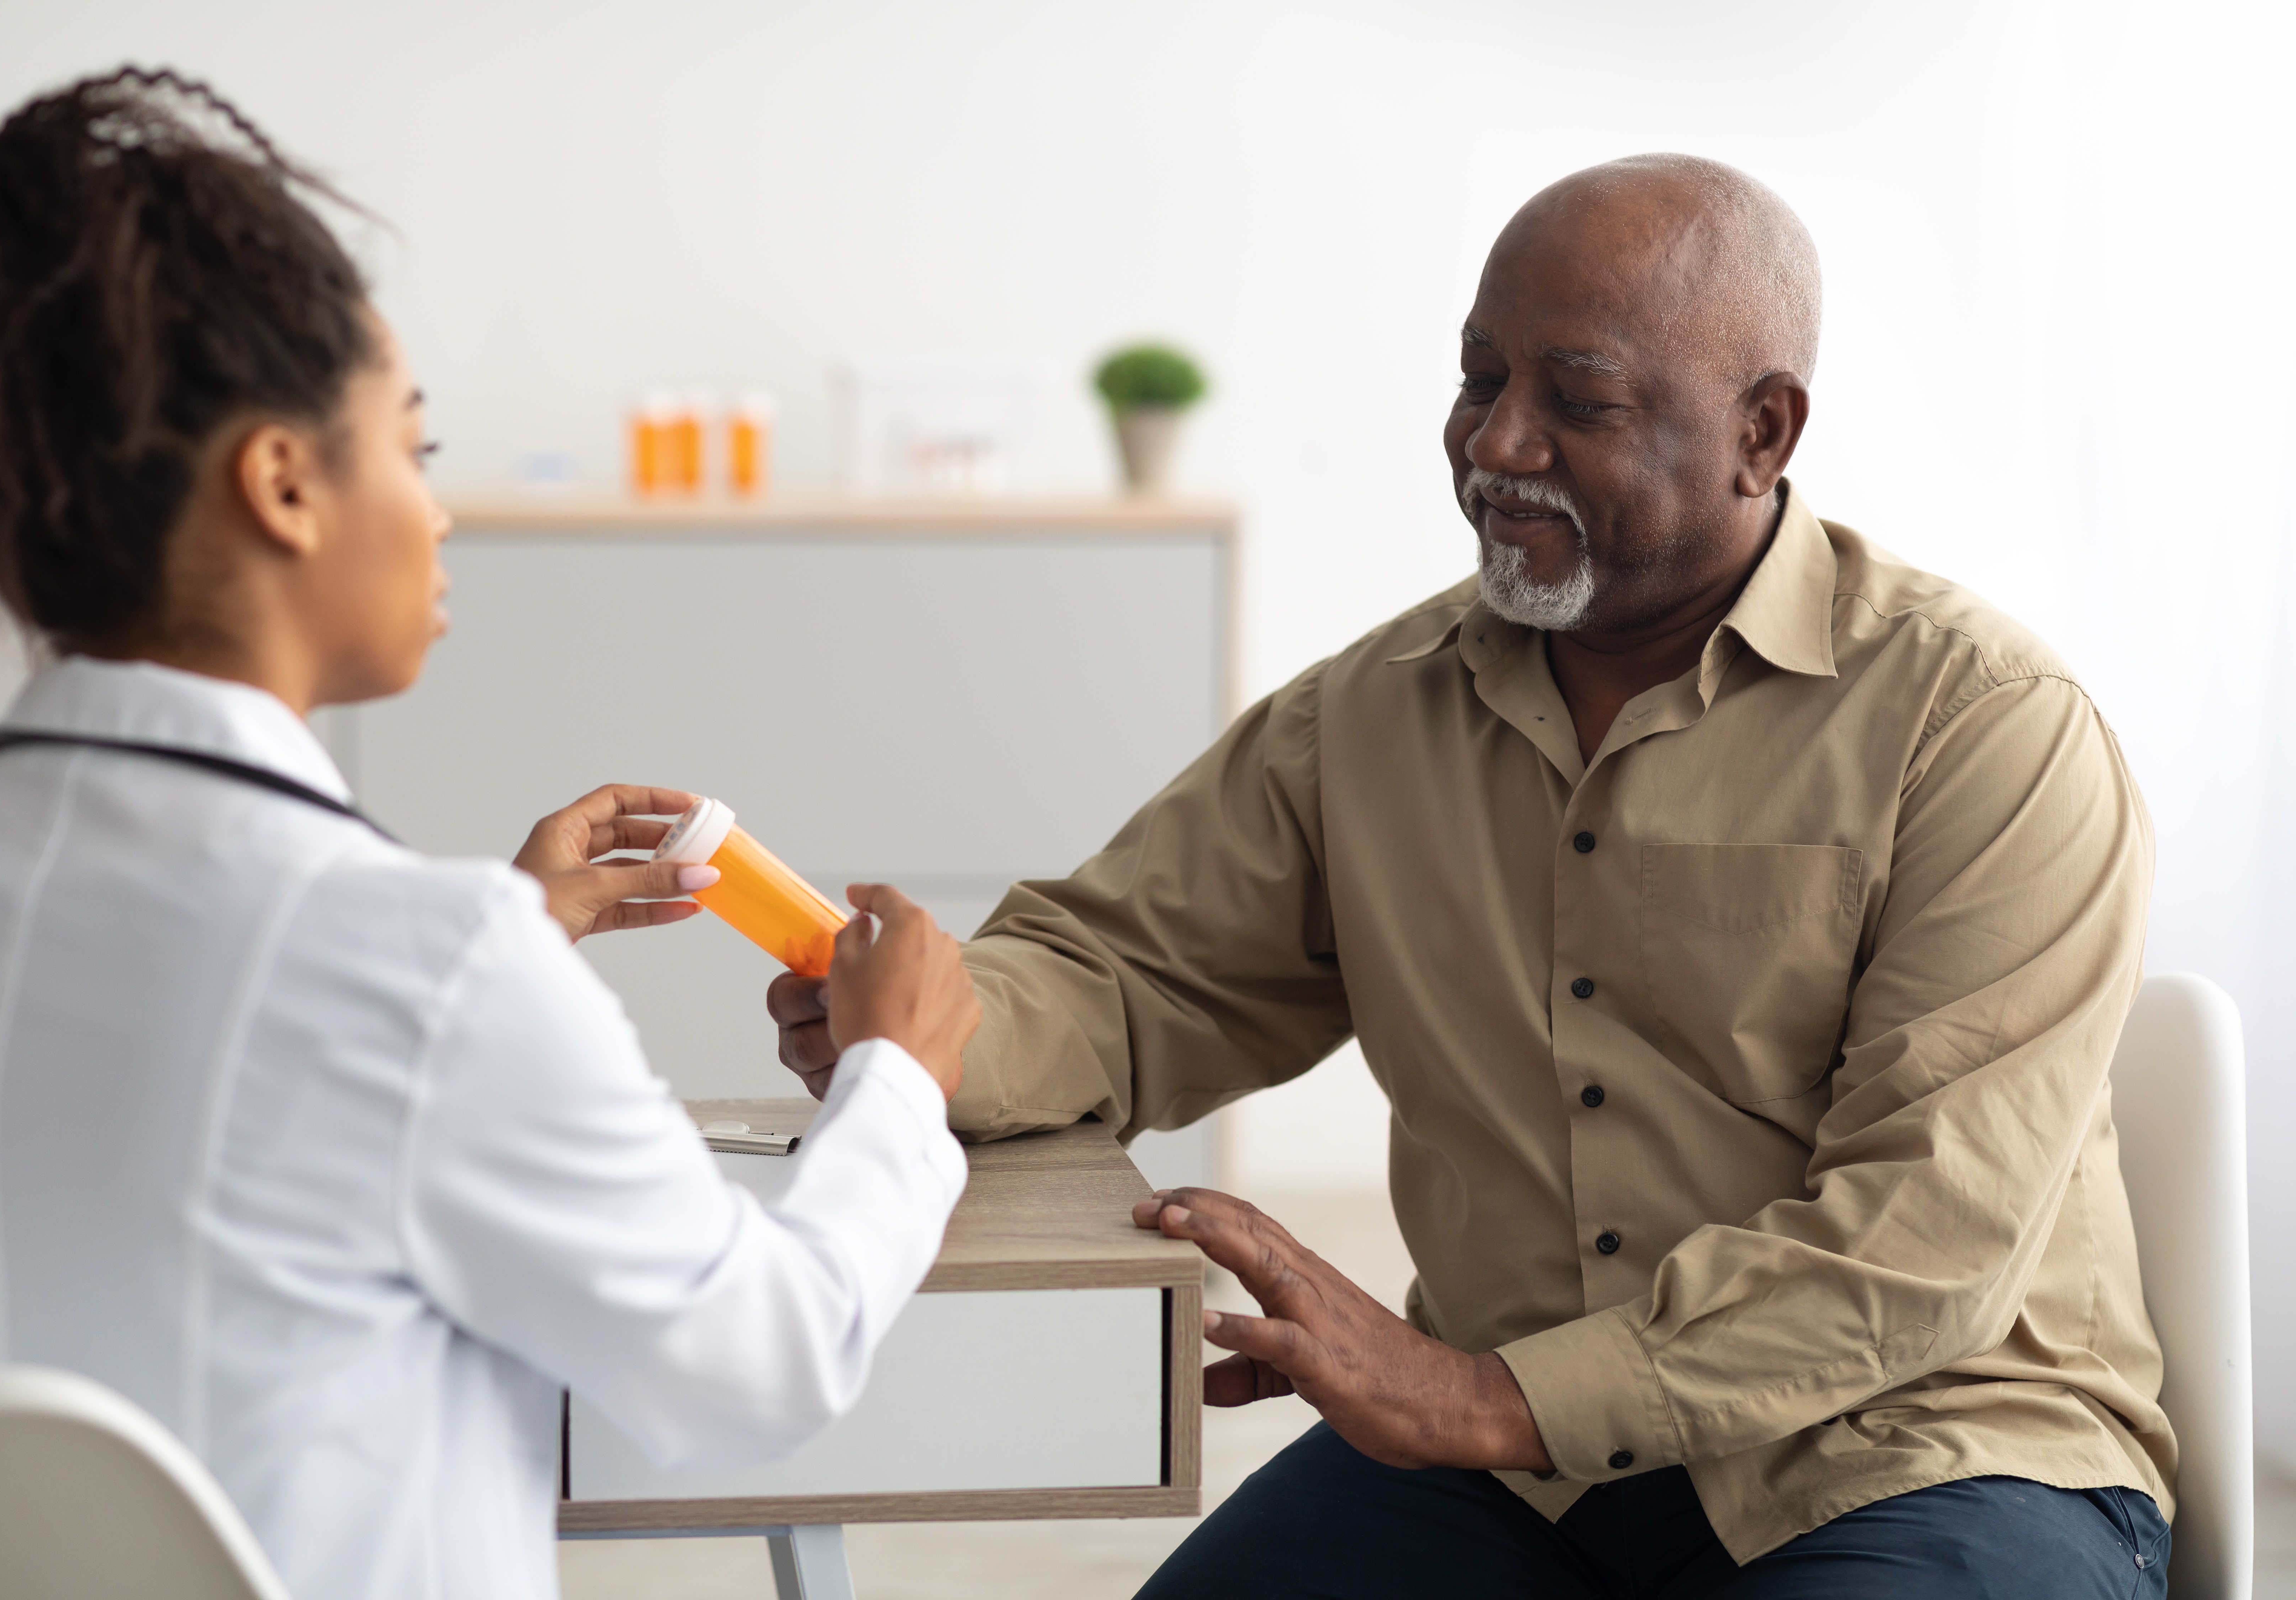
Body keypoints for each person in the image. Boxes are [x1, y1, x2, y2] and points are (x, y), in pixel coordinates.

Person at [774, 154, 2171, 1597]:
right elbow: (1131, 972)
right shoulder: (1370, 714)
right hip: (1517, 1484)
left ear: (1764, 431)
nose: (1498, 443)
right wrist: (925, 1031)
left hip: (1919, 1449)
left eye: (1579, 401)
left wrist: (1481, 1399)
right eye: (1477, 380)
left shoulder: (1986, 727)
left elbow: (1920, 1244)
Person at [0, 70, 980, 1600]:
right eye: (411, 447)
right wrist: (898, 1080)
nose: (441, 511)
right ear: (282, 481)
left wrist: (484, 954)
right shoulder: (418, 965)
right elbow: (760, 1363)